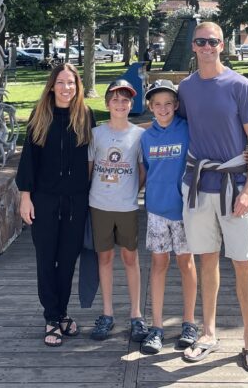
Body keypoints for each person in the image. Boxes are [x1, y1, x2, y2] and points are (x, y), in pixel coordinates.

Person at [179, 21, 248, 373]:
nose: (207, 47)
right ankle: (209, 332)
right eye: (201, 41)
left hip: (235, 187)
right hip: (200, 186)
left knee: (243, 262)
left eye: (213, 41)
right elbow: (178, 126)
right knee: (207, 259)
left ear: (223, 45)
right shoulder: (186, 88)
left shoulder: (239, 86)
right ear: (194, 46)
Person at [16, 63, 95, 347]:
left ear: (78, 87)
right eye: (61, 83)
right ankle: (51, 317)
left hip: (76, 201)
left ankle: (61, 313)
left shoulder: (86, 117)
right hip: (45, 200)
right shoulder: (40, 117)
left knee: (67, 262)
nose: (66, 88)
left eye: (71, 83)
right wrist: (26, 197)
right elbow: (28, 161)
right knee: (46, 260)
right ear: (52, 86)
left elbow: (92, 160)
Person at [138, 79, 198, 355]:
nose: (163, 109)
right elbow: (147, 171)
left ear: (176, 106)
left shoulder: (187, 130)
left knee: (186, 263)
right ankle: (158, 326)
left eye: (168, 104)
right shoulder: (147, 137)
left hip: (184, 210)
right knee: (159, 264)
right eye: (157, 104)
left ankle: (189, 322)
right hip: (156, 211)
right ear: (150, 107)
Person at [87, 79, 147, 342]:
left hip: (127, 206)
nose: (120, 104)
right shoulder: (96, 134)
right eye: (115, 99)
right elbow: (89, 169)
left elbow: (142, 171)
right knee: (105, 259)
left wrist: (131, 189)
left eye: (125, 100)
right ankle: (107, 313)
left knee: (131, 258)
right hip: (99, 204)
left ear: (131, 104)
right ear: (107, 103)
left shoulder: (138, 135)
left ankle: (136, 314)